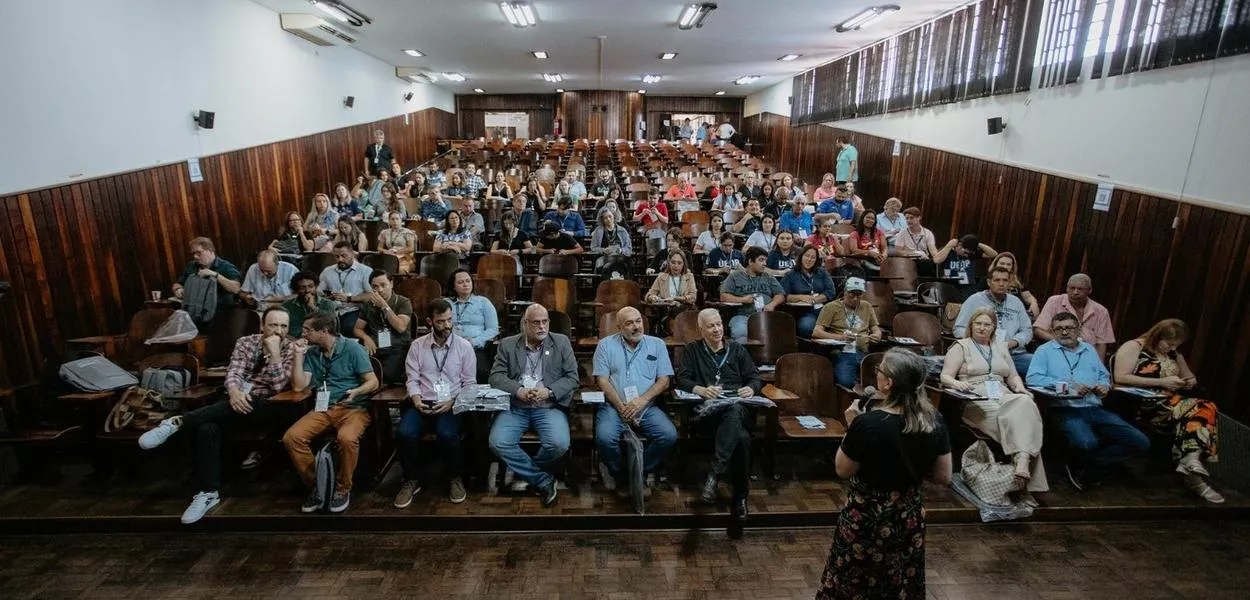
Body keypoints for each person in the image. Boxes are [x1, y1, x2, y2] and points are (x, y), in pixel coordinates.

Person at [137, 307, 306, 524]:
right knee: (207, 429)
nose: (279, 330)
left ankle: (178, 423)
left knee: (250, 399)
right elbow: (234, 372)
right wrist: (235, 392)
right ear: (262, 326)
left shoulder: (292, 349)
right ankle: (208, 493)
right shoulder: (246, 342)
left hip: (267, 407)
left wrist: (274, 355)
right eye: (273, 324)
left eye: (283, 326)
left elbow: (278, 386)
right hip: (232, 403)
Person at [817, 349, 951, 599]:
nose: (876, 374)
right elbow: (943, 477)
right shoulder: (935, 420)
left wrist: (851, 427)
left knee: (854, 581)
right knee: (900, 580)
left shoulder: (867, 423)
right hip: (908, 516)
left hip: (866, 517)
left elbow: (843, 470)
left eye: (879, 370)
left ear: (888, 383)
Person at [1027, 312, 1149, 490]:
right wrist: (1068, 385)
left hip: (1094, 407)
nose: (1064, 332)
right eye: (1059, 329)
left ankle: (1088, 463)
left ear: (1078, 330)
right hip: (1065, 409)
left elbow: (1104, 375)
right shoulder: (1044, 351)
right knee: (1087, 443)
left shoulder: (1089, 349)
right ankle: (1087, 465)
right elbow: (1033, 378)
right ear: (1052, 331)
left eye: (1069, 328)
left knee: (1140, 442)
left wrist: (1103, 385)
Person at [941, 306, 1047, 502]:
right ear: (971, 325)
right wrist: (958, 383)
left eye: (987, 324)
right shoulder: (961, 346)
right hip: (975, 398)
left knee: (1025, 402)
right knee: (1023, 426)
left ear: (994, 328)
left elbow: (1013, 375)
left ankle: (1021, 461)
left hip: (1003, 394)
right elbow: (945, 376)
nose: (982, 328)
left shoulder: (1001, 346)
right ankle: (1023, 472)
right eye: (978, 324)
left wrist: (1020, 388)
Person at [1113, 319, 1223, 503]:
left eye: (1177, 345)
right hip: (1142, 402)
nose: (1172, 348)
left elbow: (1189, 376)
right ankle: (1192, 472)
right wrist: (1161, 382)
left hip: (1172, 401)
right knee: (1201, 410)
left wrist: (1189, 382)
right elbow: (1120, 376)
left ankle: (1191, 460)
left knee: (1201, 412)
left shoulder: (1174, 353)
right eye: (1169, 343)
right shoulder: (1134, 347)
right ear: (1157, 336)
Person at [283, 311, 380, 514]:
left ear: (324, 331)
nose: (303, 333)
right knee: (292, 437)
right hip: (323, 409)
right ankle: (318, 485)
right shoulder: (311, 353)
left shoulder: (353, 349)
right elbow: (299, 386)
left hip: (353, 408)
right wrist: (298, 357)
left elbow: (373, 382)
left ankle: (342, 488)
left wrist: (357, 391)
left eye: (308, 330)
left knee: (346, 438)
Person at [675, 308, 761, 535]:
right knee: (741, 439)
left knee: (734, 408)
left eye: (719, 325)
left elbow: (754, 377)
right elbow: (682, 378)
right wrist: (701, 389)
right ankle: (740, 498)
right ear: (701, 330)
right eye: (711, 326)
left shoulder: (737, 350)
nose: (717, 330)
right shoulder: (692, 350)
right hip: (708, 414)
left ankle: (715, 478)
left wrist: (750, 388)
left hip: (736, 407)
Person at [488, 304, 579, 507]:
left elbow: (573, 378)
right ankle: (543, 480)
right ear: (525, 324)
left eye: (545, 322)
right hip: (517, 407)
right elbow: (495, 377)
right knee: (498, 442)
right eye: (536, 323)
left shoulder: (561, 342)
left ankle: (530, 473)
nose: (541, 327)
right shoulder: (508, 345)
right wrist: (519, 390)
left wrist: (549, 391)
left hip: (548, 406)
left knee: (559, 444)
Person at [394, 298, 475, 508]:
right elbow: (411, 379)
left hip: (451, 403)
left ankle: (454, 478)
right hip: (423, 402)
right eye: (441, 321)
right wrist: (415, 398)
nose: (447, 325)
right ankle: (411, 479)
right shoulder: (417, 346)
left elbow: (469, 383)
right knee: (404, 433)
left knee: (447, 434)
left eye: (449, 320)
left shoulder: (464, 346)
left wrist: (453, 401)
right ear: (430, 321)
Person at [592, 307, 678, 497]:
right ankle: (620, 475)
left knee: (668, 435)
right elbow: (602, 381)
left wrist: (642, 401)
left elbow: (664, 380)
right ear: (619, 327)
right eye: (629, 323)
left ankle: (639, 471)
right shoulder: (605, 345)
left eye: (638, 321)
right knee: (605, 439)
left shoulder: (656, 344)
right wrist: (622, 407)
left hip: (646, 406)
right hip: (614, 406)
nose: (636, 326)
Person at [953, 266, 1034, 377]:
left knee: (1037, 363)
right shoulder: (975, 300)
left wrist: (1014, 342)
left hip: (1013, 354)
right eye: (997, 280)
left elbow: (1027, 330)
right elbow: (959, 329)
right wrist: (980, 342)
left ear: (1010, 282)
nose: (1001, 284)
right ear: (989, 282)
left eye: (1005, 280)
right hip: (982, 352)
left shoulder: (1016, 302)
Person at [813, 277, 881, 388]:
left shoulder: (866, 306)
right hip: (842, 351)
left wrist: (877, 335)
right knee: (846, 382)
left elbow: (875, 327)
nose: (855, 298)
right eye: (852, 294)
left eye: (859, 295)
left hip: (863, 351)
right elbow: (816, 332)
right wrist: (841, 337)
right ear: (845, 292)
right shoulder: (831, 307)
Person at [1034, 273, 1115, 360]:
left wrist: (1099, 368)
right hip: (1057, 352)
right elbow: (1038, 330)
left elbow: (1101, 344)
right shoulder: (1054, 301)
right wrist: (1061, 341)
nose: (1075, 292)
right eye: (1072, 288)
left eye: (1080, 289)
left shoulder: (1101, 311)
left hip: (1086, 357)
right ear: (1066, 289)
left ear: (1089, 290)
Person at [352, 270, 413, 384]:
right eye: (375, 287)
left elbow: (400, 327)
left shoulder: (403, 302)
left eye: (383, 285)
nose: (380, 290)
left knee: (384, 376)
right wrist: (366, 338)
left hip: (397, 348)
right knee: (359, 374)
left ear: (391, 284)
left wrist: (384, 306)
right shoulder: (369, 304)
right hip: (375, 348)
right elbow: (357, 328)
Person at [718, 247, 785, 343]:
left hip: (766, 316)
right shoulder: (735, 276)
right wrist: (742, 300)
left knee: (783, 331)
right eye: (761, 260)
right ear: (750, 261)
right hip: (743, 316)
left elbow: (780, 295)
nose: (765, 264)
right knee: (740, 332)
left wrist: (772, 304)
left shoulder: (768, 277)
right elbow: (723, 296)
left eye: (765, 261)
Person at [447, 269, 499, 381]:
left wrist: (474, 342)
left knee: (481, 371)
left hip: (476, 348)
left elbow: (493, 329)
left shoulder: (483, 302)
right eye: (460, 282)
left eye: (468, 281)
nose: (465, 284)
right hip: (450, 347)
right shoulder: (446, 303)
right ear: (453, 287)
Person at [317, 241, 373, 335]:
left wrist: (349, 298)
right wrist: (331, 296)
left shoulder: (365, 271)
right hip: (332, 310)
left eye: (344, 256)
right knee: (320, 328)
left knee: (348, 327)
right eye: (336, 256)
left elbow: (371, 295)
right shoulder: (328, 271)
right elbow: (319, 292)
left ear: (353, 254)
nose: (340, 259)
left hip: (354, 310)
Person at [172, 237, 242, 310]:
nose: (195, 256)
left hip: (220, 310)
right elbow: (177, 283)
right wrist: (178, 289)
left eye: (199, 252)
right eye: (193, 253)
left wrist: (215, 275)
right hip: (195, 309)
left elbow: (236, 289)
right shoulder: (192, 266)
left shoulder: (226, 266)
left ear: (210, 250)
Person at [781, 245, 836, 337]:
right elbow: (783, 296)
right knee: (806, 326)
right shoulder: (790, 275)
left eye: (813, 257)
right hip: (803, 312)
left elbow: (831, 291)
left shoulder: (822, 272)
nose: (809, 259)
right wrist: (801, 297)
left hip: (823, 309)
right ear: (801, 256)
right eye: (807, 256)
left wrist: (816, 299)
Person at [933, 234, 997, 300]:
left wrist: (977, 244)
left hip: (968, 288)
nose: (967, 255)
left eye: (969, 253)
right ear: (959, 245)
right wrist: (949, 245)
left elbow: (993, 254)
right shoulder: (947, 250)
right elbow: (936, 260)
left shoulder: (972, 253)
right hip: (950, 286)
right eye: (965, 252)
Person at [282, 271, 336, 338]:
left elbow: (331, 327)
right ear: (297, 289)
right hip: (293, 341)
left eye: (311, 286)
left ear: (316, 287)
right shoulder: (287, 306)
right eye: (302, 288)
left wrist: (313, 307)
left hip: (318, 342)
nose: (307, 290)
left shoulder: (327, 304)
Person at [987, 252, 1041, 317]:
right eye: (1002, 263)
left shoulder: (1017, 281)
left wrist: (1033, 303)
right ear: (996, 264)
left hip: (1016, 312)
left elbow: (1028, 296)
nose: (1005, 266)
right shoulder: (989, 279)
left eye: (1008, 264)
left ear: (1012, 267)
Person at [894, 207, 940, 275]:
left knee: (931, 264)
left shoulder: (928, 233)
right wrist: (914, 253)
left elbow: (933, 252)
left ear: (919, 218)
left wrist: (938, 256)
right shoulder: (902, 233)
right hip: (908, 261)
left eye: (911, 218)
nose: (908, 220)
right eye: (907, 218)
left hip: (924, 261)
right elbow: (898, 251)